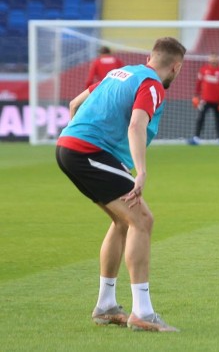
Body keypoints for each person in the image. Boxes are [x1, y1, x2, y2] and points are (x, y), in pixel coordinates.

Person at [56, 37, 186, 331]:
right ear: (175, 67)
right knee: (143, 219)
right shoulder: (152, 85)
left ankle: (106, 306)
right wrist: (140, 172)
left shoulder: (121, 72)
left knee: (123, 221)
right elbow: (137, 124)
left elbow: (75, 103)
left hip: (72, 147)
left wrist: (73, 139)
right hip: (87, 152)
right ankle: (142, 313)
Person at [189, 52, 219, 145]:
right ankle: (196, 138)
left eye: (215, 58)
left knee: (218, 120)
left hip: (218, 100)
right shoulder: (203, 70)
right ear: (209, 59)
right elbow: (199, 83)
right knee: (200, 118)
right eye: (211, 58)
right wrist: (196, 95)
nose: (213, 59)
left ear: (218, 59)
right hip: (205, 99)